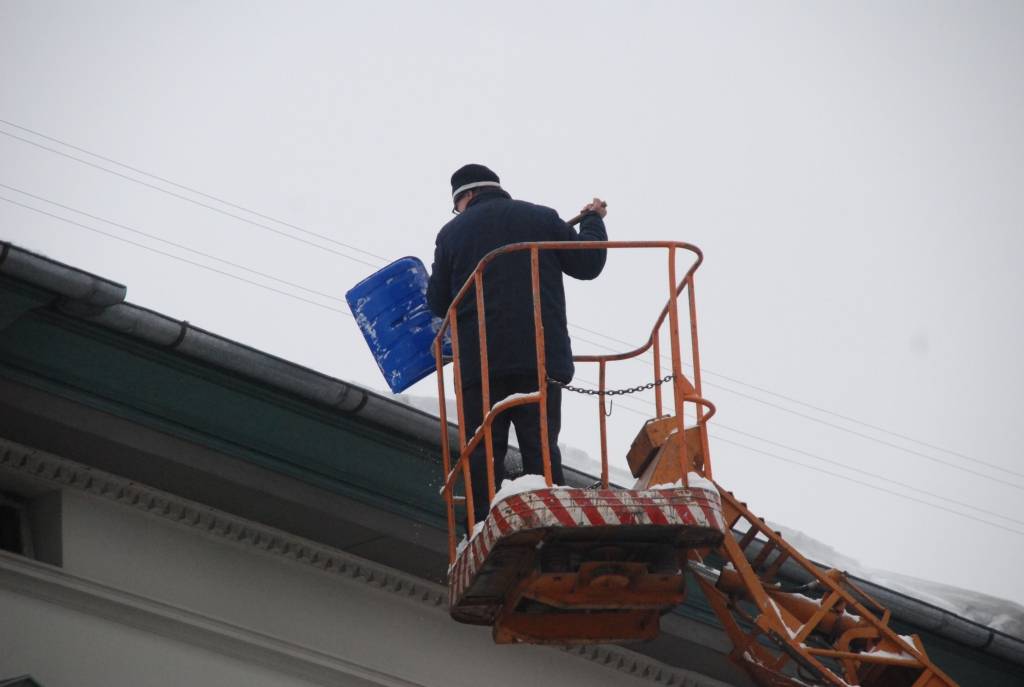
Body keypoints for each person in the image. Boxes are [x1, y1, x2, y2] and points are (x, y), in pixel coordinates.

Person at [426, 163, 608, 526]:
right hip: (538, 356)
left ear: (466, 196)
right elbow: (588, 262)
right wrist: (592, 221)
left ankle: (482, 525)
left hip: (480, 365)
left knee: (482, 452)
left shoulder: (451, 234)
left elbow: (437, 302)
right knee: (540, 444)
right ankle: (550, 518)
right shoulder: (540, 217)